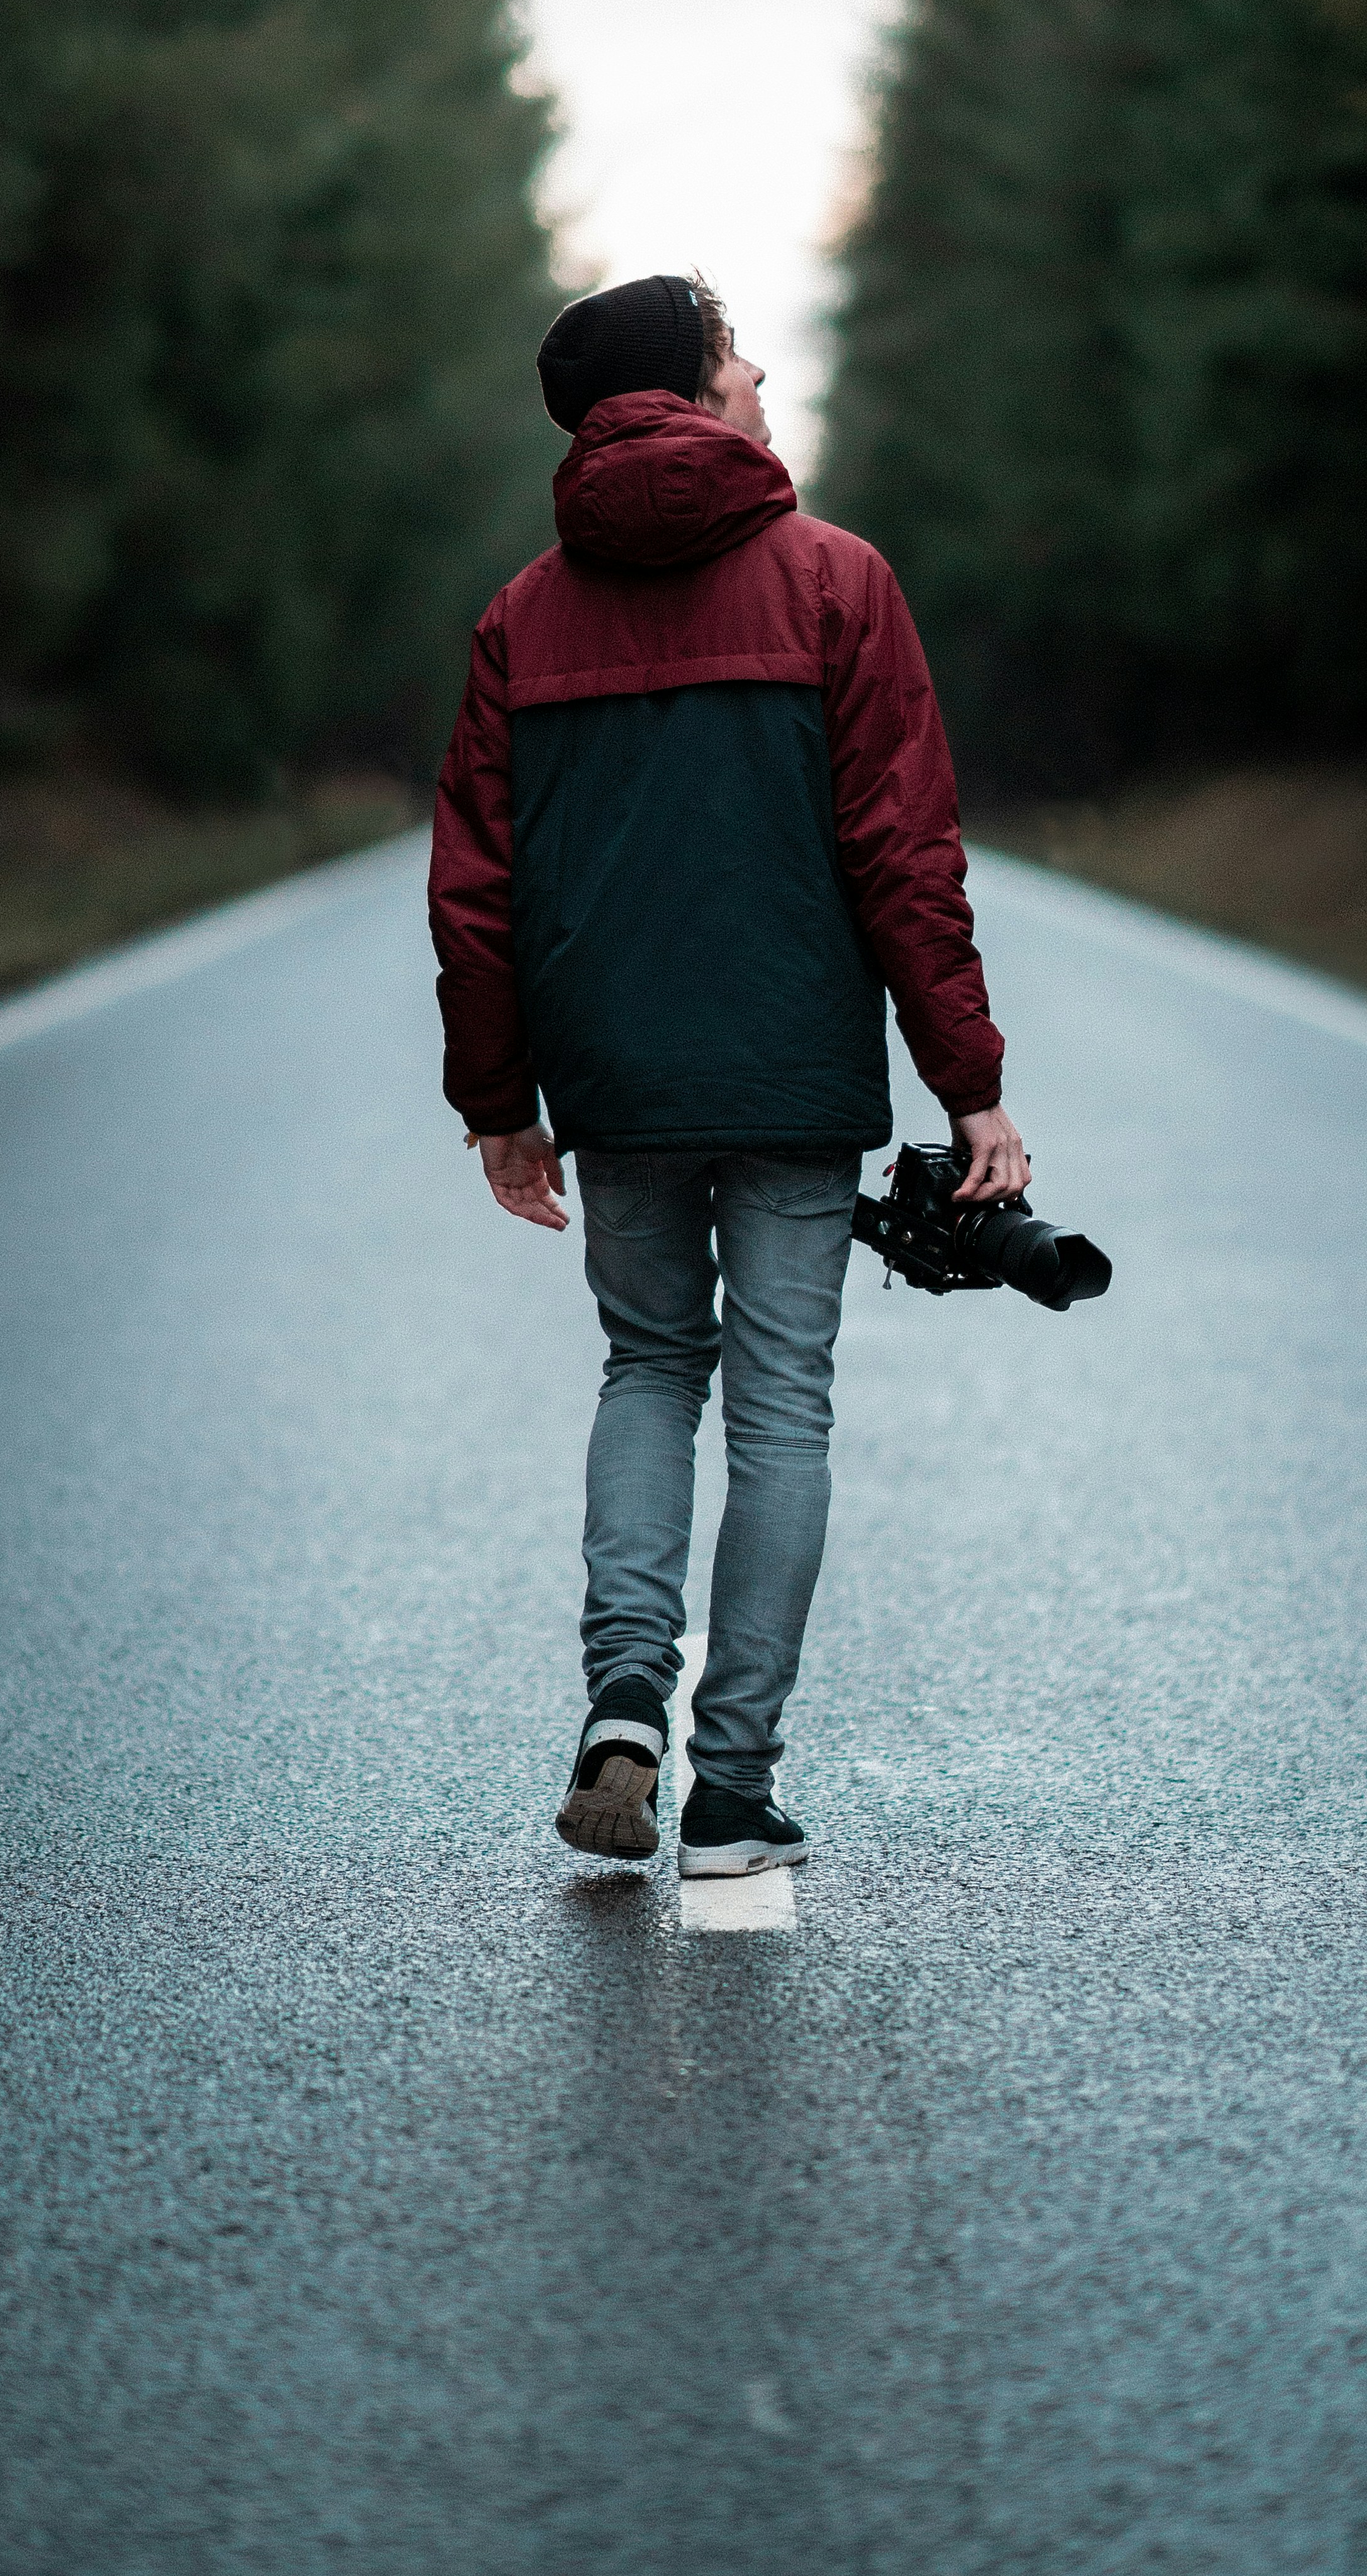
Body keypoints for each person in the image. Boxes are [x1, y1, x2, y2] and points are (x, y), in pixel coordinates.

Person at [429, 269, 1025, 1878]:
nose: (762, 375)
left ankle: (627, 1697)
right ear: (692, 397)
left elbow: (476, 883)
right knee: (781, 1408)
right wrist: (968, 1080)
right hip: (791, 1072)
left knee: (645, 1371)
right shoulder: (838, 584)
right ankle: (733, 1789)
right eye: (737, 355)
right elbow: (907, 853)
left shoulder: (521, 616)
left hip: (617, 1082)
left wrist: (499, 1100)